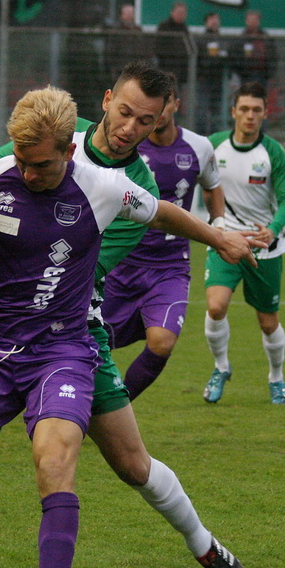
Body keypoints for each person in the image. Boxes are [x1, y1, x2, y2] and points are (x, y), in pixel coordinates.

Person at [0, 66, 260, 568]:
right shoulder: (45, 135)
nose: (131, 129)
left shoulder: (128, 184)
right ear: (106, 101)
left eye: (148, 121)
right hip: (8, 332)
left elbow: (86, 265)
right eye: (125, 113)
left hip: (75, 334)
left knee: (132, 464)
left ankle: (207, 548)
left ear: (163, 118)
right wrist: (2, 279)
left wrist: (221, 236)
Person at [102, 87, 226, 400]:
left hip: (169, 267)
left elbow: (213, 186)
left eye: (162, 105)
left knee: (162, 342)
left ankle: (116, 409)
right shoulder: (127, 145)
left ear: (173, 106)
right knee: (89, 341)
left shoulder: (198, 146)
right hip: (122, 263)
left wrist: (220, 227)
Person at [203, 81, 285, 406]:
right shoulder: (212, 146)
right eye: (244, 109)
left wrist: (273, 228)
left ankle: (276, 377)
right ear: (233, 112)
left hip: (263, 245)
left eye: (257, 110)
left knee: (268, 321)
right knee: (216, 306)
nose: (250, 116)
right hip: (225, 240)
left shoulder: (272, 152)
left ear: (265, 113)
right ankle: (221, 367)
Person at [196, 11, 230, 135]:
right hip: (204, 79)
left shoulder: (223, 40)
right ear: (206, 22)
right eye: (211, 19)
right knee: (202, 109)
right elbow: (198, 59)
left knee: (217, 110)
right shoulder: (201, 39)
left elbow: (228, 57)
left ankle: (215, 136)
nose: (214, 22)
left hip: (219, 79)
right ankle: (200, 135)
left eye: (216, 19)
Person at [233, 10, 276, 87]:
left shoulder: (266, 37)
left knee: (260, 97)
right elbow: (235, 55)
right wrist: (242, 72)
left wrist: (270, 73)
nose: (253, 22)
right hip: (246, 75)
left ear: (259, 21)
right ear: (246, 21)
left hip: (263, 74)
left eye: (255, 20)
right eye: (250, 20)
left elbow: (273, 55)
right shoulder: (241, 38)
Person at [104, 4, 148, 80]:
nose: (129, 16)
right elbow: (110, 51)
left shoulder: (138, 30)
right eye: (127, 14)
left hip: (136, 71)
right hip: (120, 70)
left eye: (131, 14)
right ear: (121, 16)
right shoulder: (115, 31)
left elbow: (144, 50)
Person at [155, 1, 190, 92]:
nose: (181, 15)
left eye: (183, 13)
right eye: (179, 13)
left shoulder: (185, 29)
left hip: (181, 71)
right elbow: (158, 47)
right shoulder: (164, 27)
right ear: (172, 12)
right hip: (166, 69)